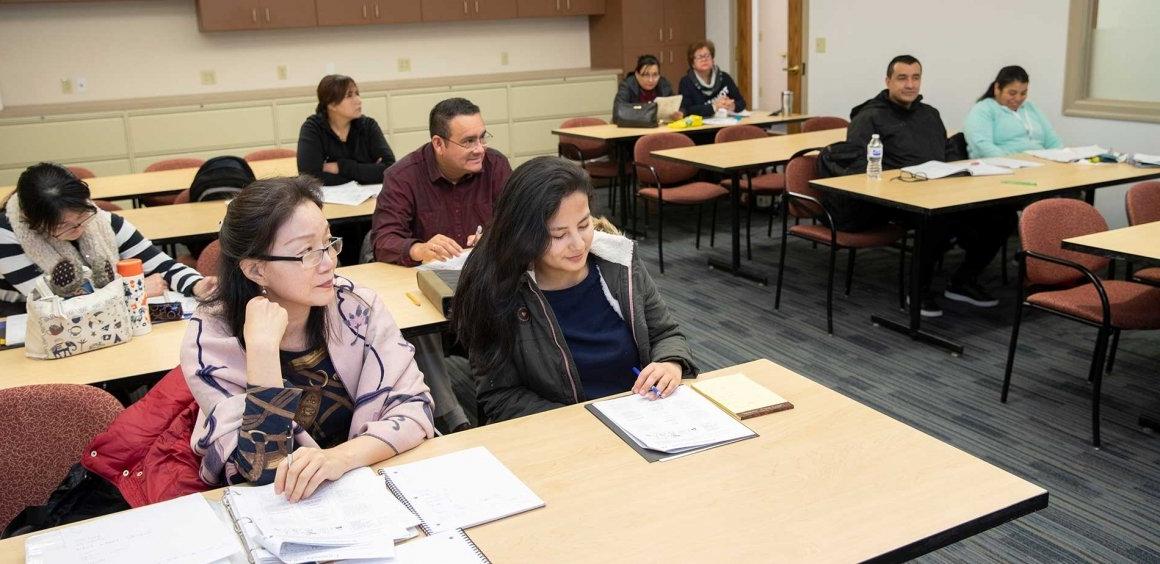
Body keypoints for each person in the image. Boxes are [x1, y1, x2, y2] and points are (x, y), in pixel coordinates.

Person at [181, 175, 433, 502]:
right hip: (275, 508)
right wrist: (262, 352)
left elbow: (416, 410)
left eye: (328, 243)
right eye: (307, 252)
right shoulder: (212, 337)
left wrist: (338, 459)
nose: (329, 263)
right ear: (256, 271)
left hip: (363, 484)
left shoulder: (356, 307)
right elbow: (263, 469)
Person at [453, 157, 697, 423]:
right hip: (563, 432)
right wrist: (582, 421)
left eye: (584, 225)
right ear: (524, 235)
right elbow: (500, 395)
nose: (578, 244)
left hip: (642, 416)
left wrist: (670, 362)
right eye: (559, 235)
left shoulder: (619, 263)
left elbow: (666, 333)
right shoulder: (498, 290)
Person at [370, 97, 513, 433]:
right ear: (438, 143)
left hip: (482, 281)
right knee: (418, 325)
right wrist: (419, 248)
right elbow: (383, 240)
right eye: (468, 141)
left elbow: (517, 221)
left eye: (482, 137)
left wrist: (495, 238)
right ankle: (453, 418)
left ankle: (505, 400)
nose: (480, 149)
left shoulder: (497, 167)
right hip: (430, 287)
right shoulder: (404, 176)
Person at [836, 54, 1016, 317]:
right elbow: (856, 165)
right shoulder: (870, 117)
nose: (910, 84)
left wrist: (958, 169)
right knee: (936, 221)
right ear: (888, 81)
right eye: (902, 78)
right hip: (891, 199)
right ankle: (918, 291)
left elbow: (947, 151)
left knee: (1003, 217)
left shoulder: (930, 114)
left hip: (937, 190)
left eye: (915, 77)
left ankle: (963, 281)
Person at [0, 163, 215, 316]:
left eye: (82, 217)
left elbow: (163, 266)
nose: (78, 228)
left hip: (102, 320)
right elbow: (47, 301)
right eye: (62, 226)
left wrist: (198, 284)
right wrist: (134, 290)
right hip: (22, 319)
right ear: (33, 222)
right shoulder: (7, 233)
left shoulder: (102, 221)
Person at [297, 74, 396, 186]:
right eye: (349, 96)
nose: (358, 100)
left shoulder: (368, 125)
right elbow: (309, 177)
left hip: (368, 198)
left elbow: (389, 169)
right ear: (331, 104)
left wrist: (341, 167)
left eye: (357, 94)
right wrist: (367, 173)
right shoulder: (313, 128)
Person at [963, 65, 1063, 158]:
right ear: (997, 88)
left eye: (1023, 93)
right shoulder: (983, 109)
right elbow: (981, 145)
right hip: (1004, 167)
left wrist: (1061, 157)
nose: (1018, 98)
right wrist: (1009, 162)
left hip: (1040, 166)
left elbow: (1052, 141)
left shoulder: (1030, 108)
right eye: (1012, 93)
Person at [678, 40, 746, 118]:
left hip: (725, 122)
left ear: (713, 60)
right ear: (692, 63)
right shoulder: (686, 82)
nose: (704, 59)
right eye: (700, 57)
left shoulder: (724, 77)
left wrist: (732, 106)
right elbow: (687, 110)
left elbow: (741, 102)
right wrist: (714, 107)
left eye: (707, 56)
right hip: (701, 127)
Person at [613, 54, 683, 121]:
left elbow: (680, 107)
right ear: (637, 75)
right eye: (646, 75)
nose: (651, 80)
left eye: (655, 75)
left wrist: (679, 113)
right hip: (636, 130)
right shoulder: (627, 86)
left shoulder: (663, 84)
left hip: (660, 129)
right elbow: (617, 114)